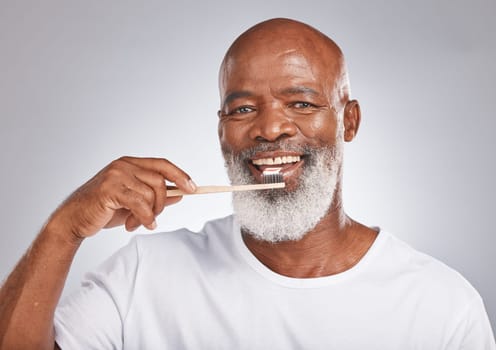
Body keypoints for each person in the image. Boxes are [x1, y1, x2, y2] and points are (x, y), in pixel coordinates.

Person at [0, 18, 494, 350]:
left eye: (301, 103)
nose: (269, 128)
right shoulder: (141, 276)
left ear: (349, 121)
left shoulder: (440, 307)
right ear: (221, 131)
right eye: (242, 109)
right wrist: (64, 228)